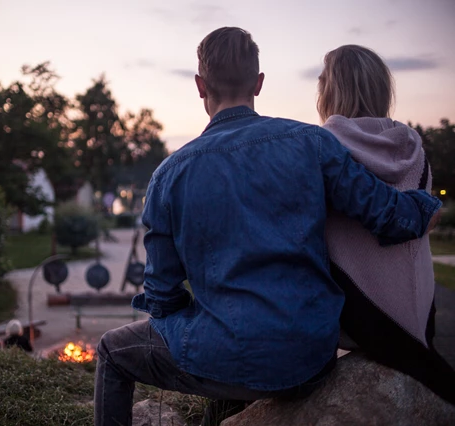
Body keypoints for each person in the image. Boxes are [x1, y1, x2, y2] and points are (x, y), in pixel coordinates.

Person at [94, 27, 442, 426]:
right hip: (308, 360)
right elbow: (389, 216)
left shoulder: (168, 175)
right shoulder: (313, 143)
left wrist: (205, 321)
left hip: (221, 358)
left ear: (199, 85)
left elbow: (160, 295)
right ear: (259, 83)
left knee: (110, 352)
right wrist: (428, 206)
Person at [318, 44, 455, 404]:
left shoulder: (323, 148)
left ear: (330, 89)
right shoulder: (414, 148)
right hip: (420, 308)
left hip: (354, 318)